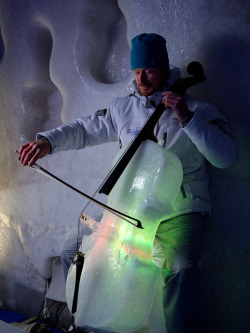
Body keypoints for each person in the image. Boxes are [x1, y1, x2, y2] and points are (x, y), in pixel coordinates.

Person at [19, 33, 237, 333]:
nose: (141, 78)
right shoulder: (123, 108)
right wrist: (48, 142)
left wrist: (186, 118)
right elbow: (85, 129)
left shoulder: (198, 109)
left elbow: (225, 156)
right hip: (130, 207)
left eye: (148, 70)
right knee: (74, 253)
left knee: (182, 270)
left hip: (180, 211)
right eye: (136, 71)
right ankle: (87, 321)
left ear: (163, 68)